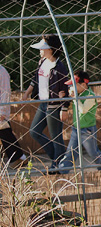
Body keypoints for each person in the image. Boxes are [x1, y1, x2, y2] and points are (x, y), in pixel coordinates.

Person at [23, 35, 69, 172]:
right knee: (34, 131)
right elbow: (35, 79)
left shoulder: (59, 68)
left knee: (56, 137)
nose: (40, 50)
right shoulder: (42, 62)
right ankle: (57, 159)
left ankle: (58, 166)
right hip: (43, 103)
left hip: (54, 105)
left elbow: (65, 89)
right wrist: (27, 92)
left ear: (51, 49)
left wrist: (64, 108)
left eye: (43, 48)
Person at [59, 71, 101, 171]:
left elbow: (83, 110)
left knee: (93, 153)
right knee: (70, 153)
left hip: (87, 130)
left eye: (73, 85)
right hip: (76, 129)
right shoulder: (78, 95)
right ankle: (62, 171)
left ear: (84, 84)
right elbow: (71, 104)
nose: (71, 88)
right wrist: (63, 99)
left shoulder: (90, 95)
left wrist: (75, 98)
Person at [0, 62, 28, 168]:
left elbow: (5, 92)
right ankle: (19, 157)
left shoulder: (2, 72)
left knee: (4, 131)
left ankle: (20, 157)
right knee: (5, 132)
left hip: (1, 108)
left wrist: (2, 111)